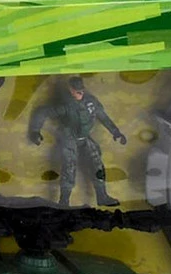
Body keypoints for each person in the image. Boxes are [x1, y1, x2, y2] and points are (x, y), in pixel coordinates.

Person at [28, 76, 126, 206]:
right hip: (69, 138)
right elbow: (42, 112)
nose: (79, 93)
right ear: (71, 90)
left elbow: (103, 116)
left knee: (97, 164)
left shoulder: (90, 102)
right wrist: (35, 131)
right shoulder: (65, 105)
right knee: (69, 167)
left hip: (85, 137)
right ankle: (64, 201)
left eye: (81, 90)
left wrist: (116, 132)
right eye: (76, 90)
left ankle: (102, 196)